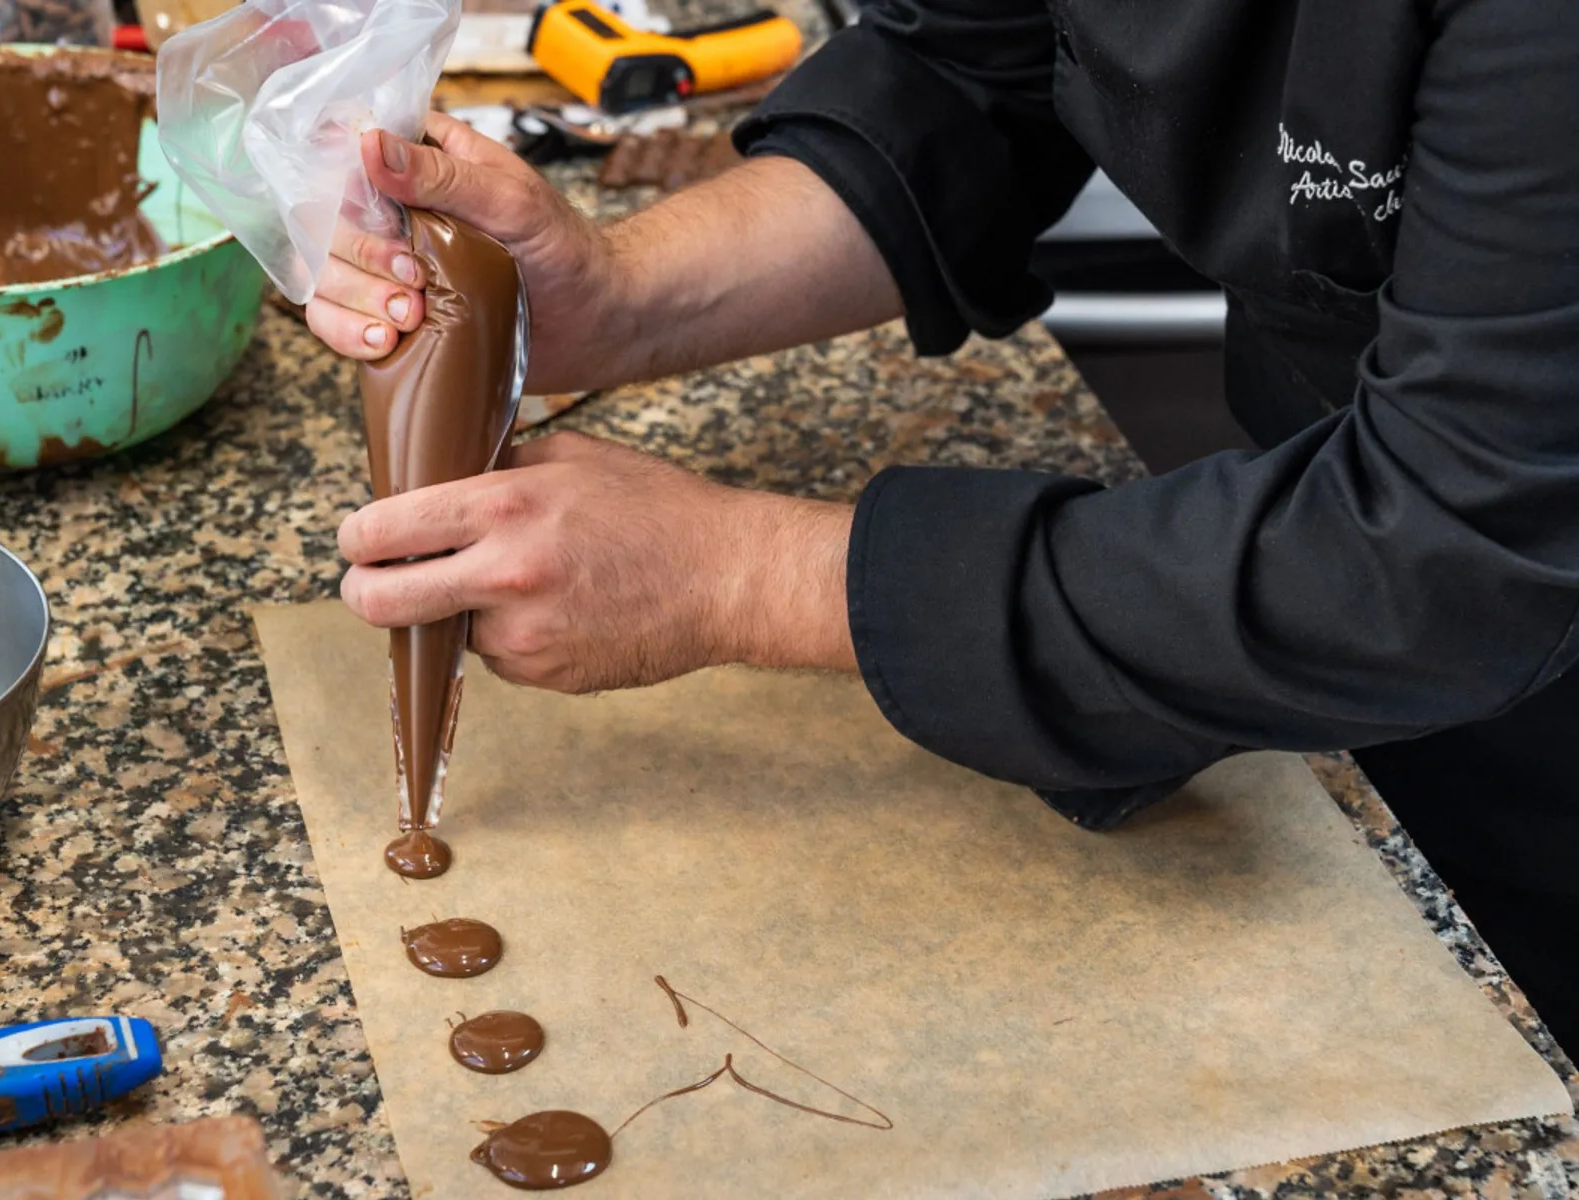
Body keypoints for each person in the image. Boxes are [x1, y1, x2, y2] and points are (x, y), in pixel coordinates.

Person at [306, 0, 1579, 1048]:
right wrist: (627, 296)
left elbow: (1450, 542)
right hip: (1312, 515)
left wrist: (746, 576)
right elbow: (980, 71)